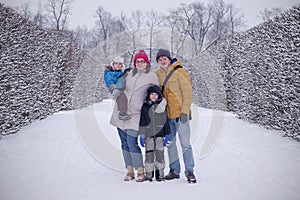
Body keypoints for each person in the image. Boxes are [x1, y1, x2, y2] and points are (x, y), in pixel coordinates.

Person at [110, 50, 159, 182]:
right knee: (124, 143)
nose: (140, 63)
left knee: (132, 142)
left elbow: (157, 93)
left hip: (136, 114)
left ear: (147, 63)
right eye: (138, 61)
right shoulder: (128, 73)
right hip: (120, 111)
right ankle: (129, 170)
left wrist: (150, 102)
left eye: (142, 61)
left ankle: (140, 171)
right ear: (135, 62)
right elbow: (117, 85)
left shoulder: (152, 76)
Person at [155, 49, 197, 184]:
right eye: (160, 59)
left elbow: (188, 92)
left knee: (185, 144)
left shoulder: (179, 71)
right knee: (170, 144)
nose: (162, 61)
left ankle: (190, 171)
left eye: (164, 58)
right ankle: (174, 170)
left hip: (180, 115)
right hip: (167, 117)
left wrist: (185, 112)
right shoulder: (157, 74)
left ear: (169, 59)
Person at [139, 85, 170, 182]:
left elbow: (166, 121)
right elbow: (142, 121)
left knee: (160, 153)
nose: (154, 96)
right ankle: (149, 173)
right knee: (149, 153)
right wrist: (142, 134)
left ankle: (160, 173)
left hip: (160, 134)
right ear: (148, 95)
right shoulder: (145, 106)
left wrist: (167, 133)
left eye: (156, 94)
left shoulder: (161, 107)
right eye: (152, 94)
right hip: (149, 134)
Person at [104, 56, 131, 120]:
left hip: (123, 88)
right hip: (114, 89)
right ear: (113, 64)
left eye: (120, 64)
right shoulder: (110, 73)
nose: (118, 65)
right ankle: (122, 113)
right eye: (116, 63)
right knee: (122, 95)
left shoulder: (122, 73)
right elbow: (109, 82)